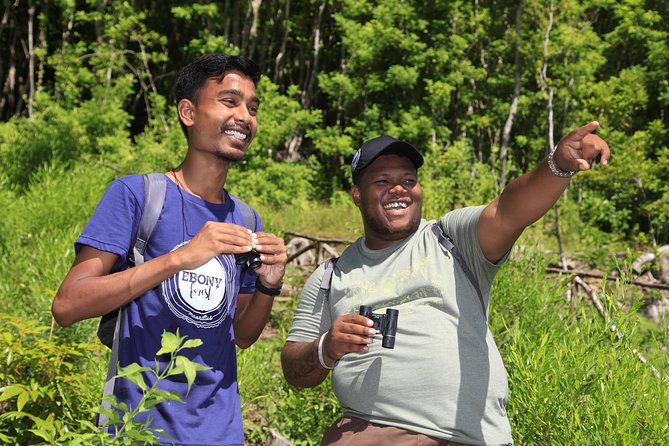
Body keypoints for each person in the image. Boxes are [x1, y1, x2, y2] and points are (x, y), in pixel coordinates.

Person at [281, 124, 610, 445]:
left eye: (409, 180)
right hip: (370, 432)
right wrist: (326, 347)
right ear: (357, 195)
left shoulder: (452, 238)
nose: (399, 189)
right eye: (382, 181)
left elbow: (510, 210)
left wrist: (557, 166)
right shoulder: (331, 274)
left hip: (468, 436)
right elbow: (295, 369)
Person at [52, 54, 287, 445]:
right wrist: (181, 257)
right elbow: (67, 305)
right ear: (188, 112)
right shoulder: (137, 195)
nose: (245, 116)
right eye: (230, 102)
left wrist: (269, 285)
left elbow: (242, 336)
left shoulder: (246, 218)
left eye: (253, 107)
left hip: (223, 432)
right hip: (138, 428)